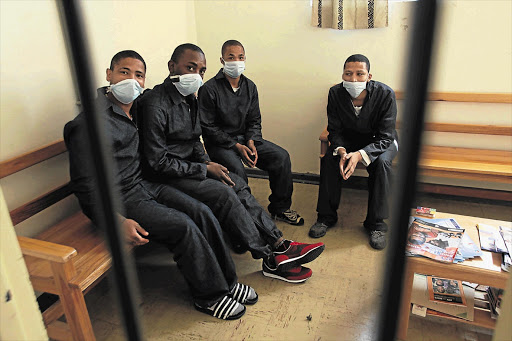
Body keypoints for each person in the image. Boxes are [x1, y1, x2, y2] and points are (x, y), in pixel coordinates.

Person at [64, 50, 258, 320]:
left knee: (202, 211)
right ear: (109, 75)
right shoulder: (87, 125)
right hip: (121, 199)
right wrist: (116, 221)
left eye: (139, 75)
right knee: (183, 226)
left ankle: (227, 281)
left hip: (145, 184)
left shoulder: (137, 108)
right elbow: (85, 189)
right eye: (124, 72)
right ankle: (209, 295)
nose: (132, 80)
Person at [138, 44, 324, 283]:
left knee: (236, 183)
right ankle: (268, 258)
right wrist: (204, 168)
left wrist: (206, 161)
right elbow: (157, 162)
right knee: (224, 192)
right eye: (190, 67)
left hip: (192, 165)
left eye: (201, 70)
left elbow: (195, 139)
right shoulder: (156, 104)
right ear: (172, 67)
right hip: (167, 175)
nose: (197, 75)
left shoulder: (190, 97)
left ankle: (280, 244)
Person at [198, 40, 303, 226]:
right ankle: (245, 216)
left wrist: (252, 141)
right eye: (231, 57)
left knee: (281, 157)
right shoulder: (209, 89)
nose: (236, 61)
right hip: (221, 144)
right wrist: (236, 146)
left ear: (245, 59)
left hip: (246, 140)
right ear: (222, 60)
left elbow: (255, 120)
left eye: (240, 57)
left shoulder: (250, 87)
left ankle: (280, 208)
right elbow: (208, 127)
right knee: (237, 170)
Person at [309, 54, 398, 250]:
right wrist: (341, 151)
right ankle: (326, 217)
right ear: (343, 74)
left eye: (360, 74)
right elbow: (335, 129)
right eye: (348, 74)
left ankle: (376, 224)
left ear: (369, 76)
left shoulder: (385, 94)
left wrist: (359, 154)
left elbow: (386, 136)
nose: (354, 79)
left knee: (381, 164)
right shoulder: (335, 93)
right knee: (330, 159)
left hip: (381, 141)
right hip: (348, 140)